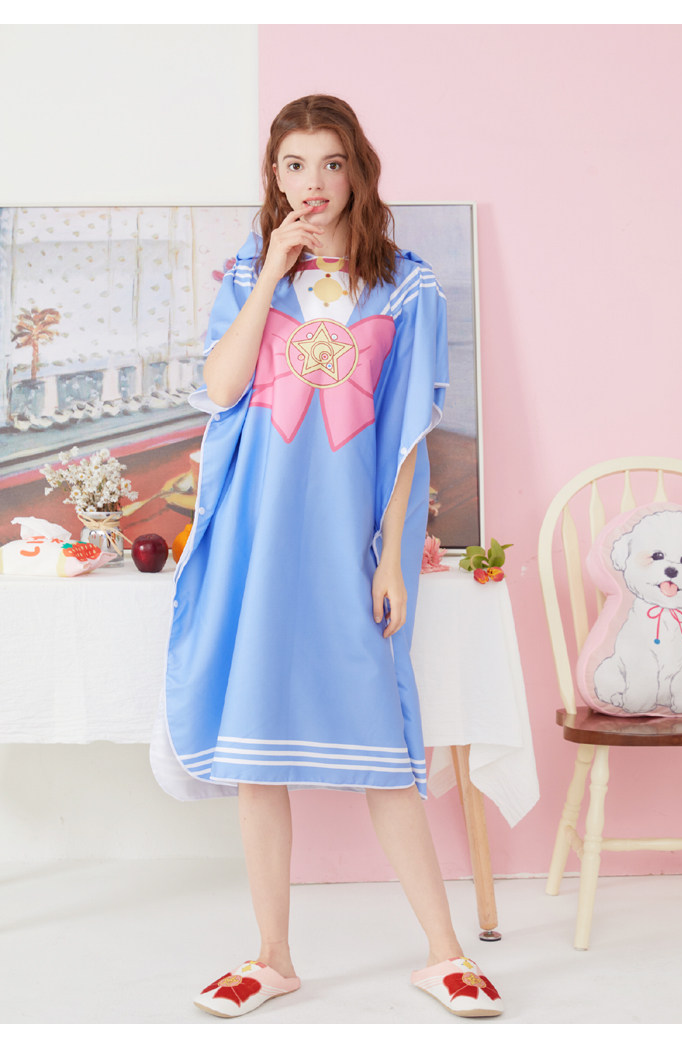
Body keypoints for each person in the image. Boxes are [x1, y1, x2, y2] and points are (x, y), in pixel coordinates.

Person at [150, 94, 502, 1020]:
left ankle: (445, 952)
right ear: (274, 175)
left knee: (385, 747)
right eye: (295, 164)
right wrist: (270, 270)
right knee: (256, 750)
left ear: (358, 171)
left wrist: (390, 557)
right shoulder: (249, 271)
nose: (313, 183)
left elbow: (408, 432)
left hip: (350, 536)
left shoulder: (407, 287)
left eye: (331, 163)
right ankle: (272, 956)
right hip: (255, 533)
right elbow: (222, 386)